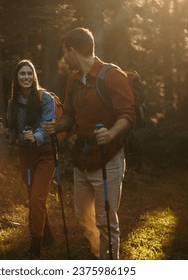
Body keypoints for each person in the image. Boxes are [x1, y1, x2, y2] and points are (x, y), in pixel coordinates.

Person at [43, 27, 135, 259]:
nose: (64, 58)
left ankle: (108, 265)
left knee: (106, 220)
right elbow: (70, 115)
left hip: (108, 158)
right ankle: (99, 255)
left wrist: (111, 133)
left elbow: (127, 115)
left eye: (65, 52)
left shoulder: (113, 76)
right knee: (82, 214)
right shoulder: (73, 80)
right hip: (82, 159)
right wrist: (58, 125)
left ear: (72, 51)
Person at [0, 59, 55, 259]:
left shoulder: (45, 98)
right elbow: (15, 130)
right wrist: (4, 131)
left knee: (37, 198)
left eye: (30, 73)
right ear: (17, 78)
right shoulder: (13, 102)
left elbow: (48, 125)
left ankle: (35, 246)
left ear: (34, 76)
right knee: (33, 195)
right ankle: (47, 234)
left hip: (45, 153)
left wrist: (35, 136)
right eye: (22, 74)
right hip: (25, 155)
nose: (26, 77)